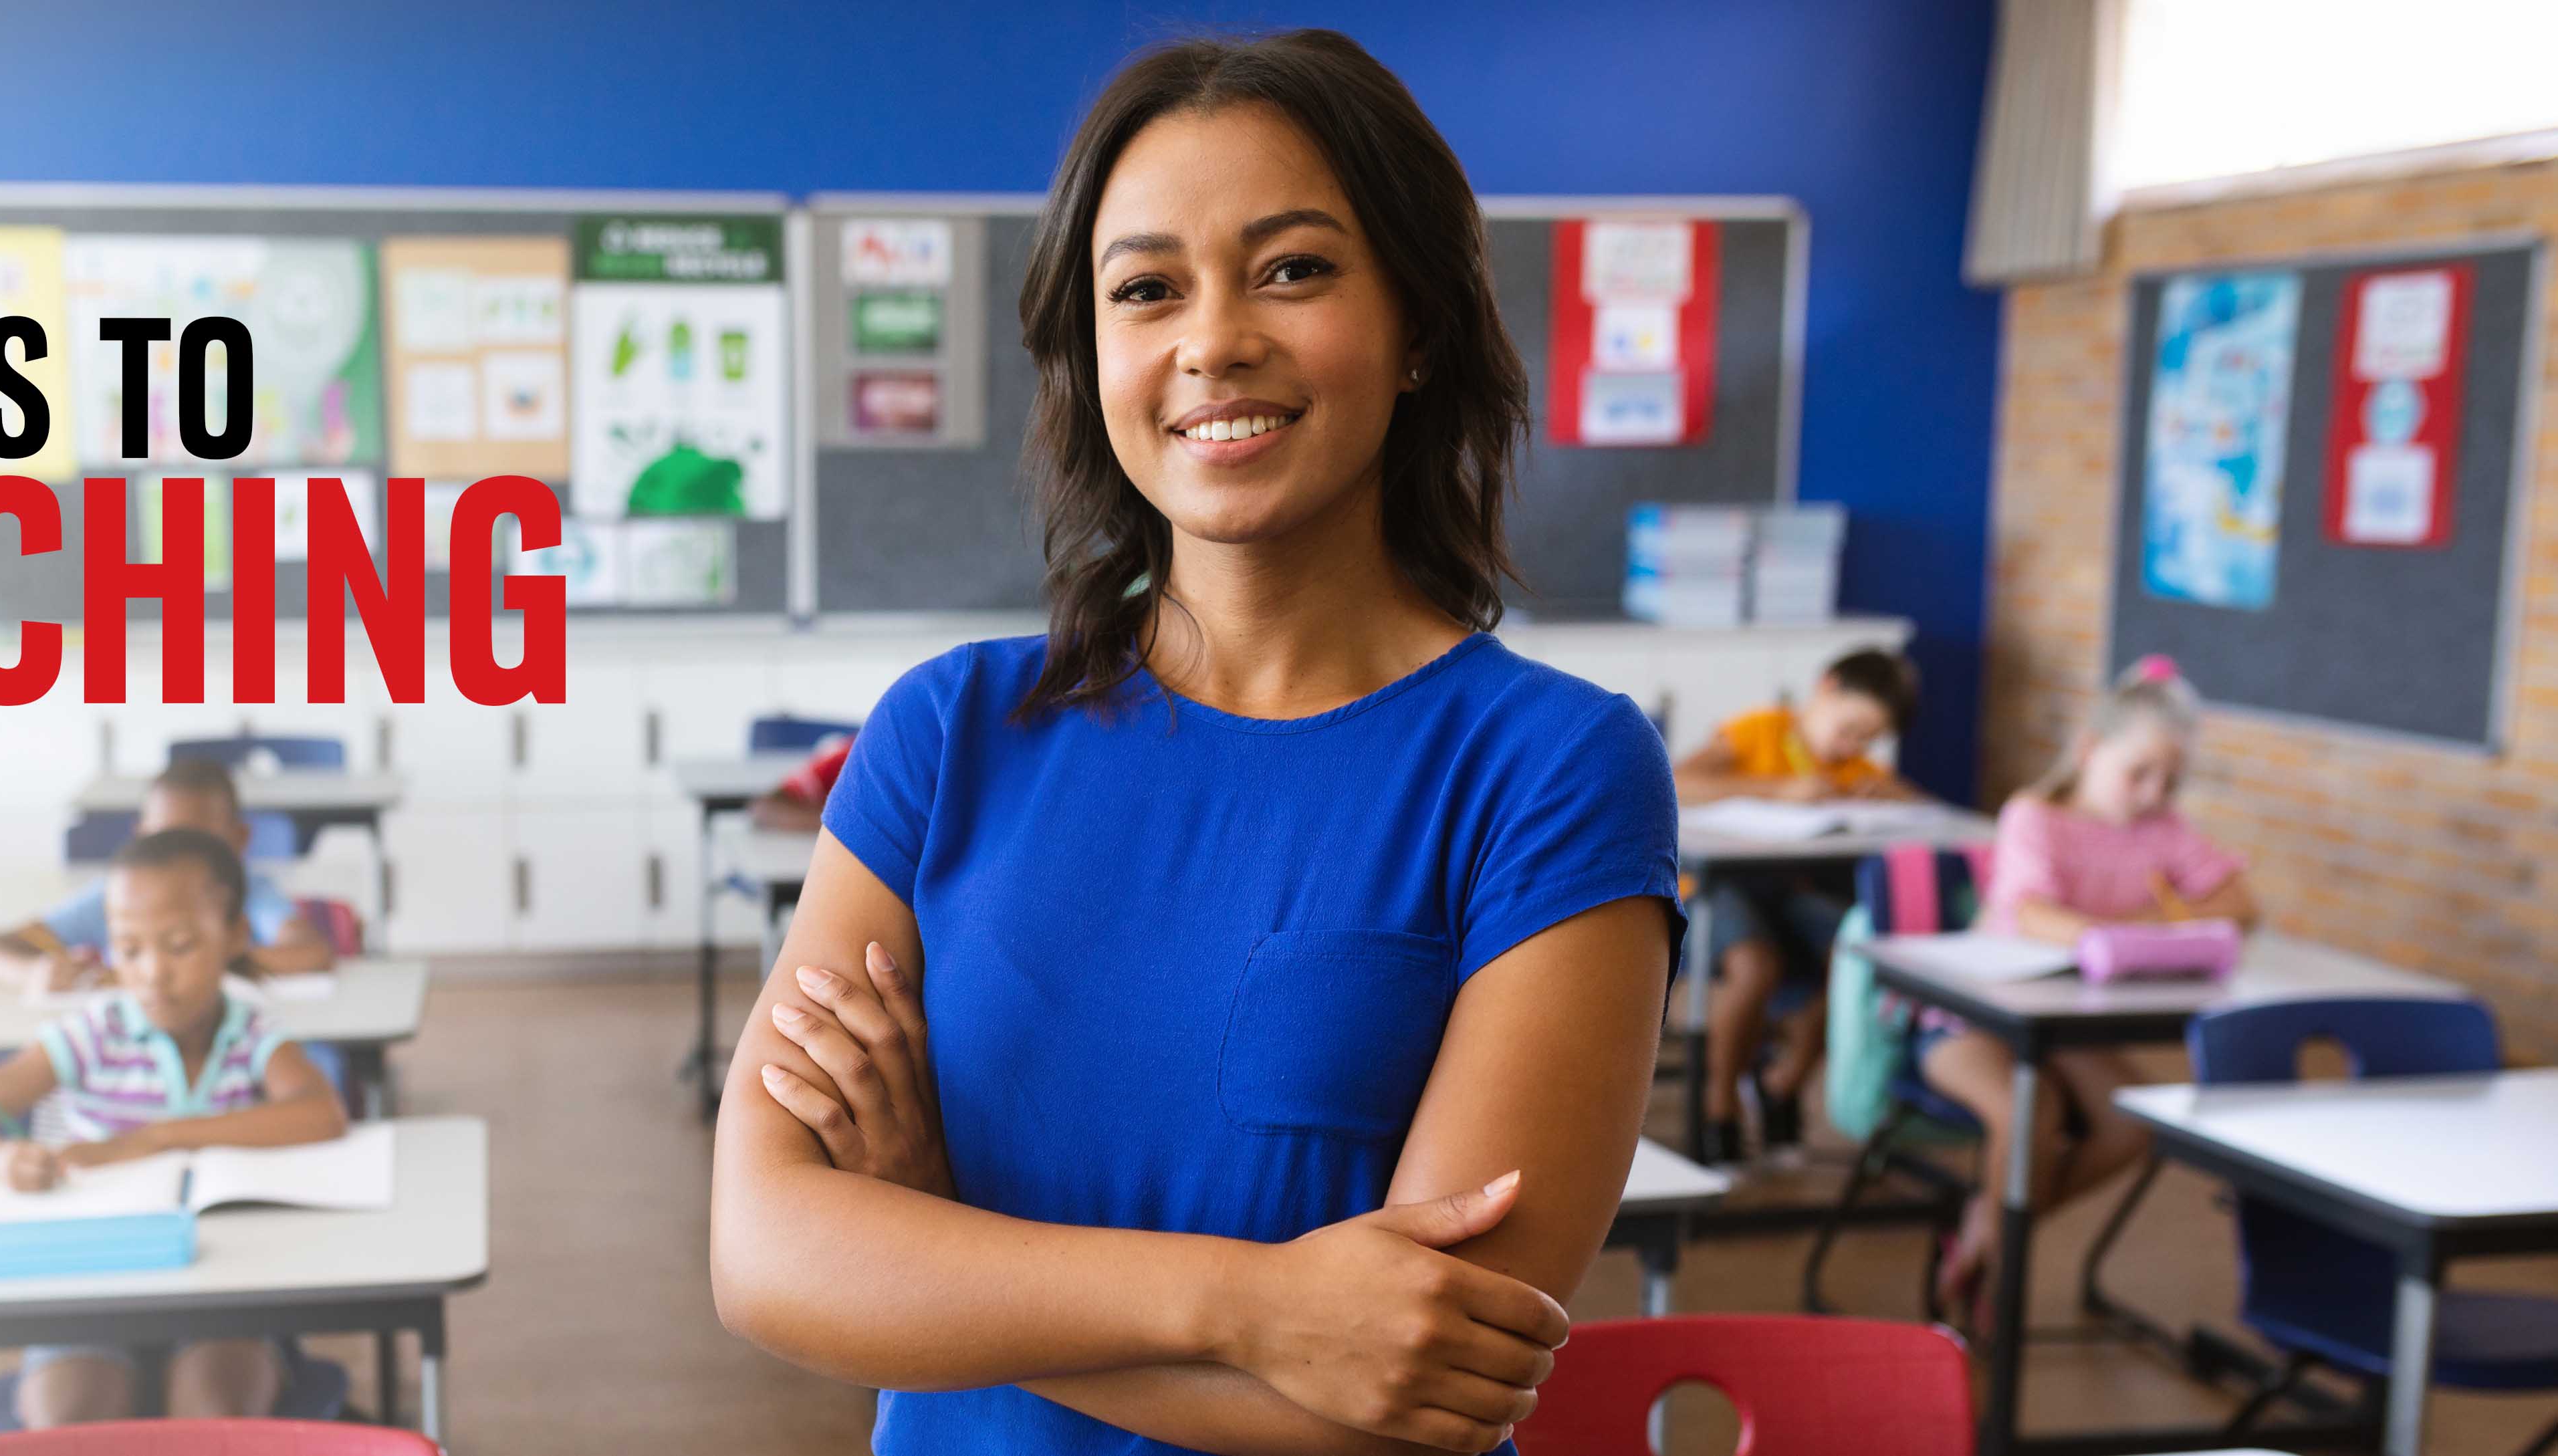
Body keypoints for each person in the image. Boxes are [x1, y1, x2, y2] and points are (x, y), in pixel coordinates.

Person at [708, 31, 1679, 1456]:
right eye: (1145, 289)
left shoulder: (1552, 772)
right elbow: (766, 1255)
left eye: (1289, 269)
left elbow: (1415, 1398)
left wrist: (941, 1250)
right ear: (1091, 353)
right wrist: (1256, 1309)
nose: (1209, 339)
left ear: (1415, 325)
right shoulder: (944, 736)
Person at [0, 827, 348, 1426]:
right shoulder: (93, 1033)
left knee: (213, 1422)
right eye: (129, 948)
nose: (152, 973)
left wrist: (155, 1138)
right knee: (74, 1426)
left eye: (179, 945)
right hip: (85, 1294)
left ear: (235, 937)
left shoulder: (250, 1031)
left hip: (228, 1304)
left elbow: (320, 1112)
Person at [1922, 655, 2253, 1324]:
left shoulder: (2161, 829)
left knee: (2132, 1123)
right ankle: (1999, 1281)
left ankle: (1991, 1228)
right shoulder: (2033, 817)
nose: (2153, 793)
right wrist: (2160, 926)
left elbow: (2240, 903)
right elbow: (2037, 917)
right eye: (2138, 773)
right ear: (2088, 751)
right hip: (1968, 1023)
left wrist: (2118, 932)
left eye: (2171, 780)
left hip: (2065, 1031)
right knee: (2028, 1115)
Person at [1669, 647, 1923, 1157]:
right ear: (1825, 688)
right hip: (1711, 889)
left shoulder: (1851, 768)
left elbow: (1925, 811)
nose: (1851, 744)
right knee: (1755, 965)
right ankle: (1721, 1111)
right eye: (1849, 727)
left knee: (1855, 955)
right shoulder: (1759, 731)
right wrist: (1777, 790)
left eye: (1868, 739)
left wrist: (1892, 795)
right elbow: (1675, 782)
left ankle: (1782, 1085)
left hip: (1788, 893)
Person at [0, 757, 338, 993]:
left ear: (239, 840)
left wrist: (191, 972)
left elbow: (309, 952)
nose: (181, 857)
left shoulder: (247, 891)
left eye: (198, 842)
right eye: (165, 840)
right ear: (142, 837)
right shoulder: (115, 897)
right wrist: (29, 974)